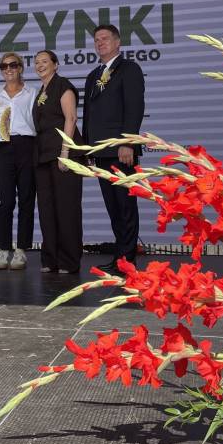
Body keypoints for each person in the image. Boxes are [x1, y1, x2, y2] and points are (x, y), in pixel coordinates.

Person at [82, 24, 145, 273]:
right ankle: (120, 257)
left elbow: (134, 108)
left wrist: (127, 142)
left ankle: (128, 260)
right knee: (113, 208)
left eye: (105, 38)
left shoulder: (129, 69)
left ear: (118, 42)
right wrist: (88, 148)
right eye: (96, 39)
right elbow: (88, 115)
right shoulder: (93, 75)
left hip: (121, 150)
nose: (100, 43)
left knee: (125, 206)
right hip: (100, 151)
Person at [33, 50, 83, 274]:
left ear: (55, 64)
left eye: (45, 61)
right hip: (43, 156)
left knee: (66, 207)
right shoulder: (41, 91)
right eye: (37, 62)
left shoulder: (63, 85)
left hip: (63, 154)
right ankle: (50, 258)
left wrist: (65, 152)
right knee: (47, 208)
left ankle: (69, 260)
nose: (40, 65)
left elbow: (70, 118)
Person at [0, 52, 37, 271]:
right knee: (6, 201)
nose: (8, 69)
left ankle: (22, 250)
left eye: (13, 65)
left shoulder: (32, 92)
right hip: (3, 147)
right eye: (4, 66)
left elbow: (37, 122)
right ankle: (4, 249)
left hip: (27, 145)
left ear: (21, 67)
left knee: (26, 198)